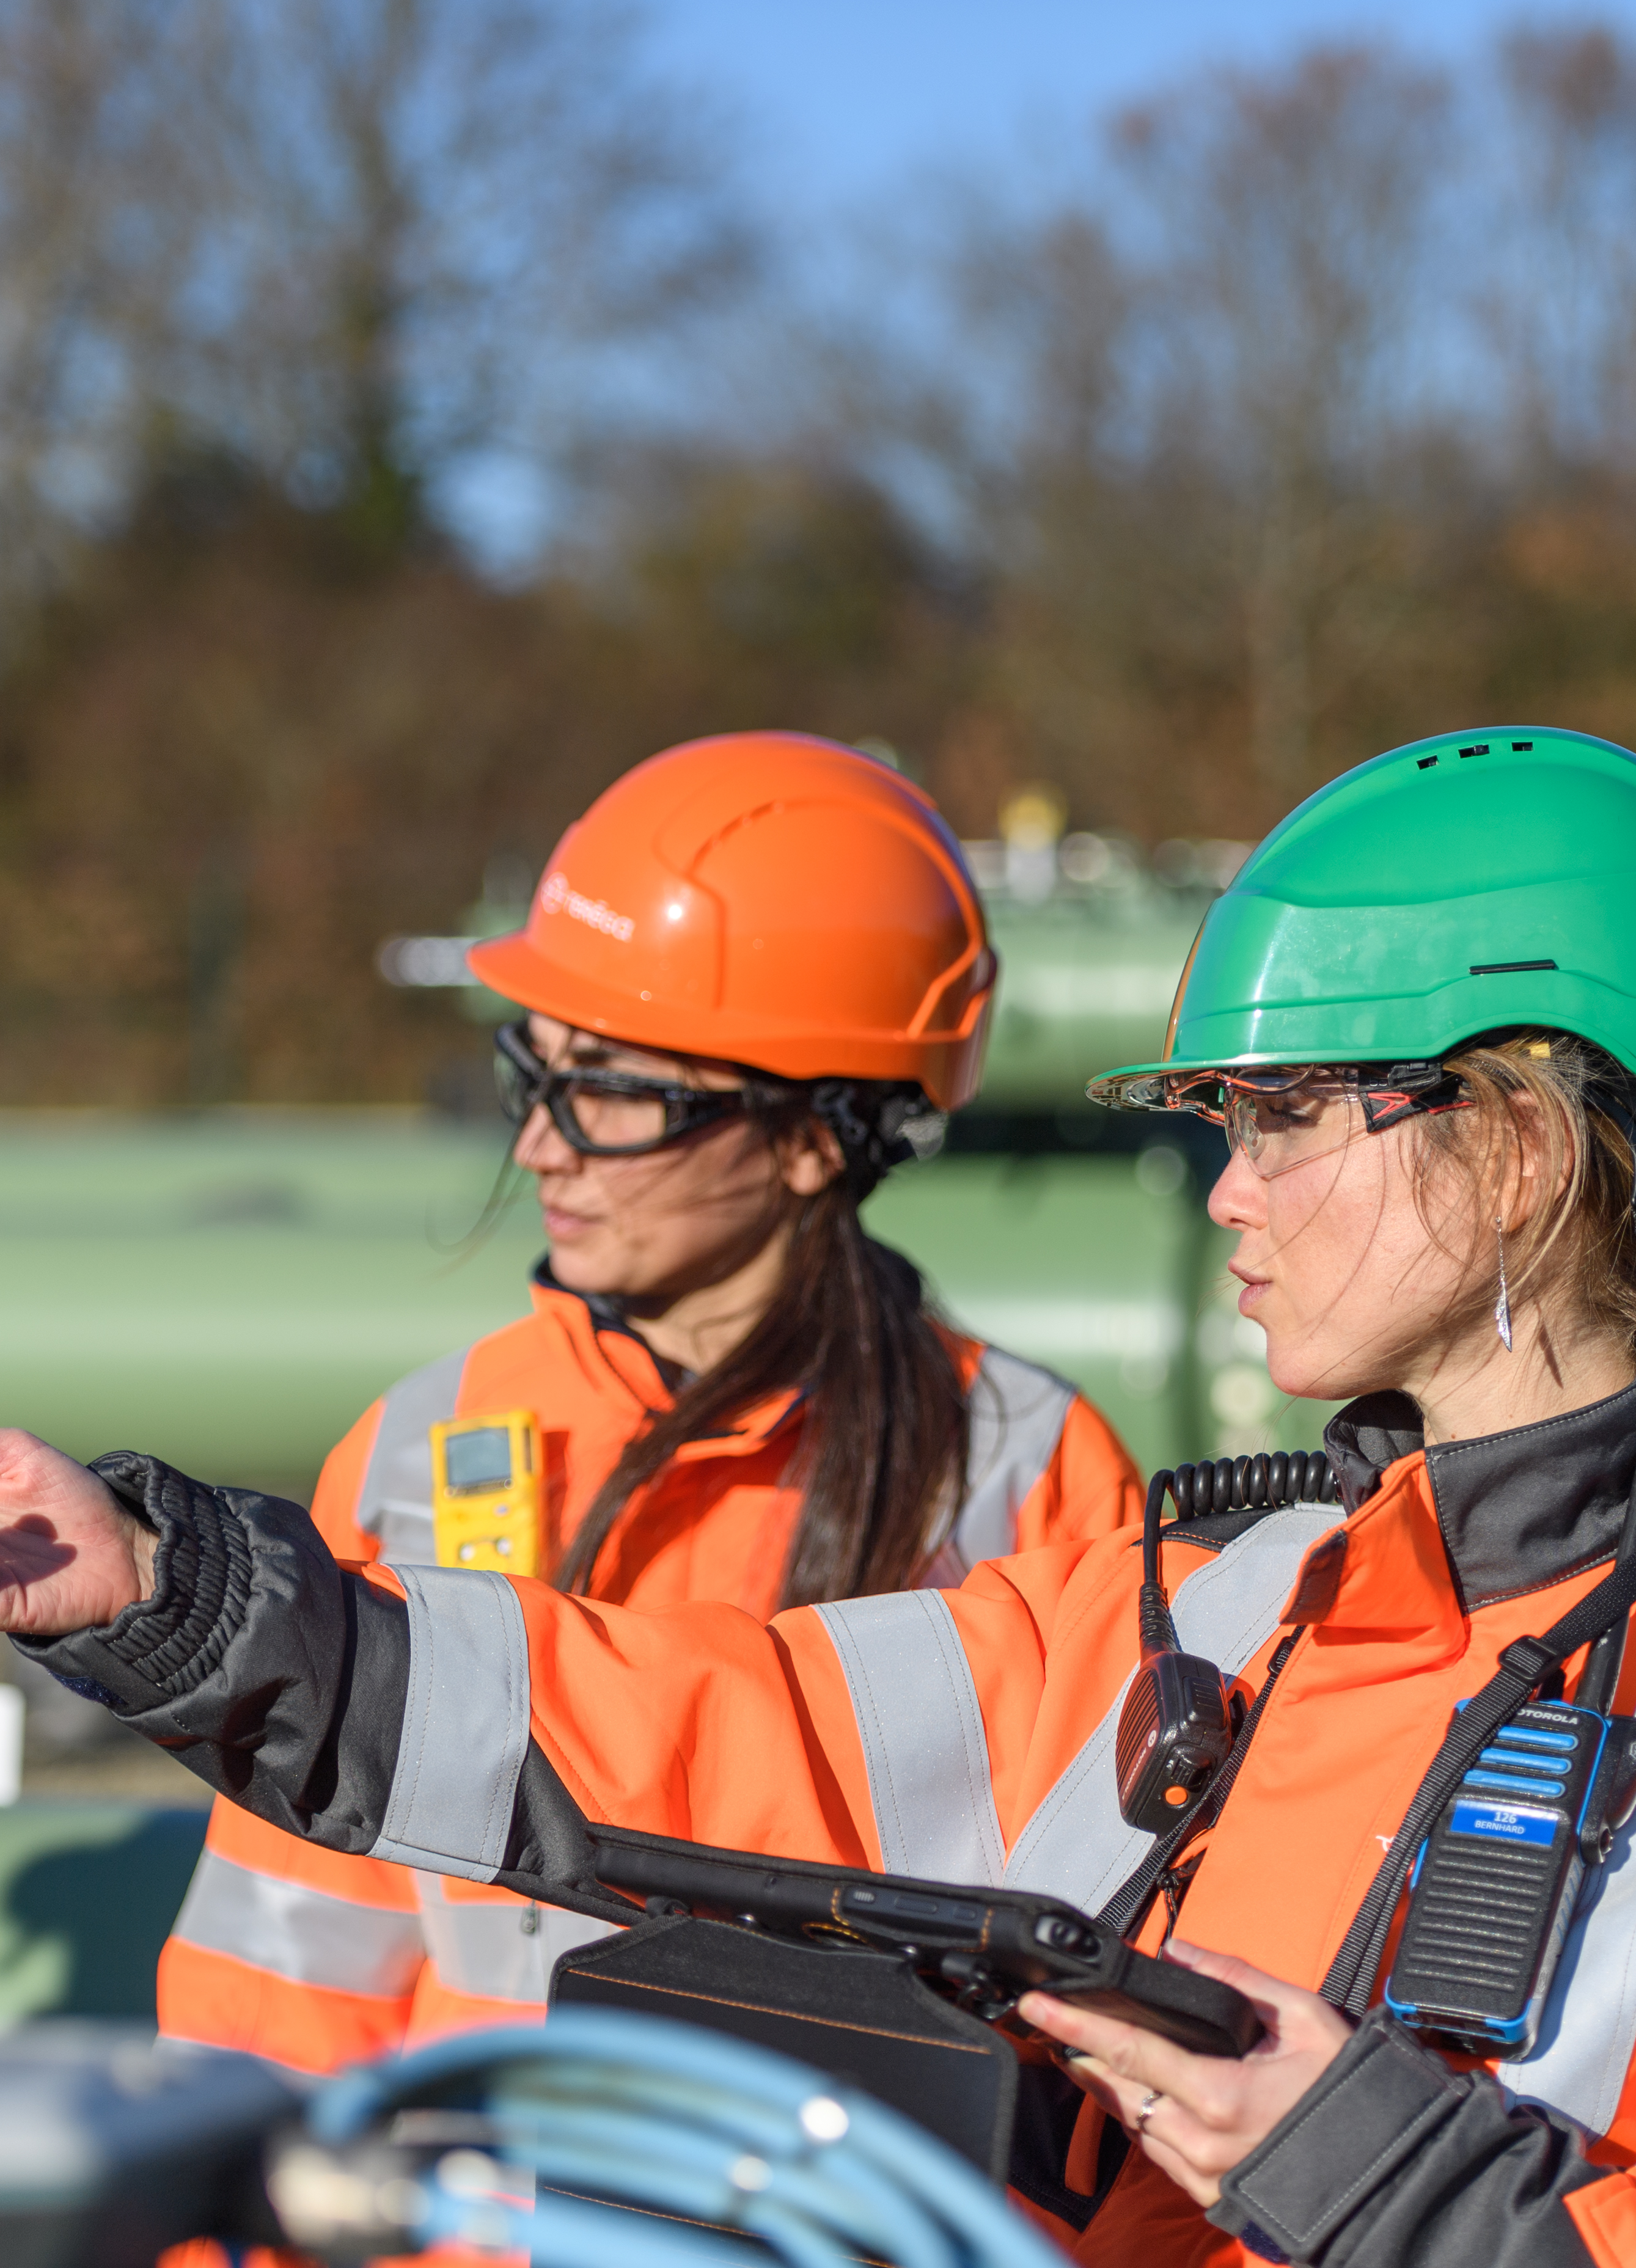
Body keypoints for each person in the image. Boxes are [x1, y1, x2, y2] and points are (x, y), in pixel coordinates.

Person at [0, 728, 1636, 2267]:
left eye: (1284, 1120)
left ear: (1518, 1140)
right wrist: (183, 1596)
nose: (1227, 1196)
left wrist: (1397, 2176)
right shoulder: (1209, 1604)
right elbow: (691, 1730)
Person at [135, 731, 1143, 2074]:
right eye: (535, 1071)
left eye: (611, 1092)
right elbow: (289, 1950)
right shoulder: (416, 1449)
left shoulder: (1032, 1472)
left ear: (812, 1137)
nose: (540, 1145)